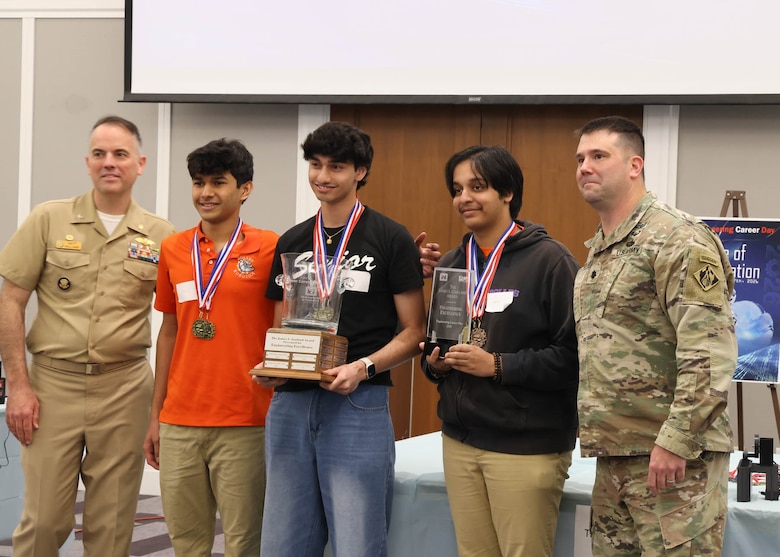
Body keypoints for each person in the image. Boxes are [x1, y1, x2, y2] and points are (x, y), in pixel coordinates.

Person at [0, 115, 175, 556]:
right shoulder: (48, 219)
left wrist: (162, 409)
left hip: (125, 388)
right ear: (87, 162)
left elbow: (178, 321)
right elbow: (10, 301)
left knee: (111, 525)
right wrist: (18, 386)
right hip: (52, 386)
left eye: (120, 154)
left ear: (140, 164)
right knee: (43, 521)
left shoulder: (161, 236)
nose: (109, 162)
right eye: (99, 153)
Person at [254, 121, 427, 557]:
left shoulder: (390, 238)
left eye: (336, 166)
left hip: (356, 401)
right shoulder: (292, 240)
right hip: (290, 404)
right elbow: (279, 330)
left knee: (357, 541)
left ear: (360, 172)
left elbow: (414, 332)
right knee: (282, 542)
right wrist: (273, 369)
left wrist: (363, 368)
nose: (322, 176)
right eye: (315, 164)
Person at [574, 116, 736, 556]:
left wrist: (677, 439)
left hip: (675, 461)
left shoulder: (676, 237)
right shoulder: (601, 251)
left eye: (599, 156)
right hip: (616, 456)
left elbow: (710, 351)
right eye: (580, 158)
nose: (585, 167)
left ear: (635, 165)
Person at [421, 145, 579, 557]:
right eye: (457, 190)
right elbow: (434, 348)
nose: (464, 198)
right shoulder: (452, 264)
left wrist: (496, 365)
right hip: (460, 441)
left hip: (525, 446)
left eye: (477, 187)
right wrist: (436, 365)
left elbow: (574, 359)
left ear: (507, 192)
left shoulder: (551, 261)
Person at [142, 138, 277, 556]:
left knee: (245, 542)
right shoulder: (173, 248)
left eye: (218, 182)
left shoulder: (270, 247)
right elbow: (169, 331)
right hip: (179, 420)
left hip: (246, 419)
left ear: (245, 189)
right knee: (187, 543)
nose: (206, 193)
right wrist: (156, 415)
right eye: (199, 182)